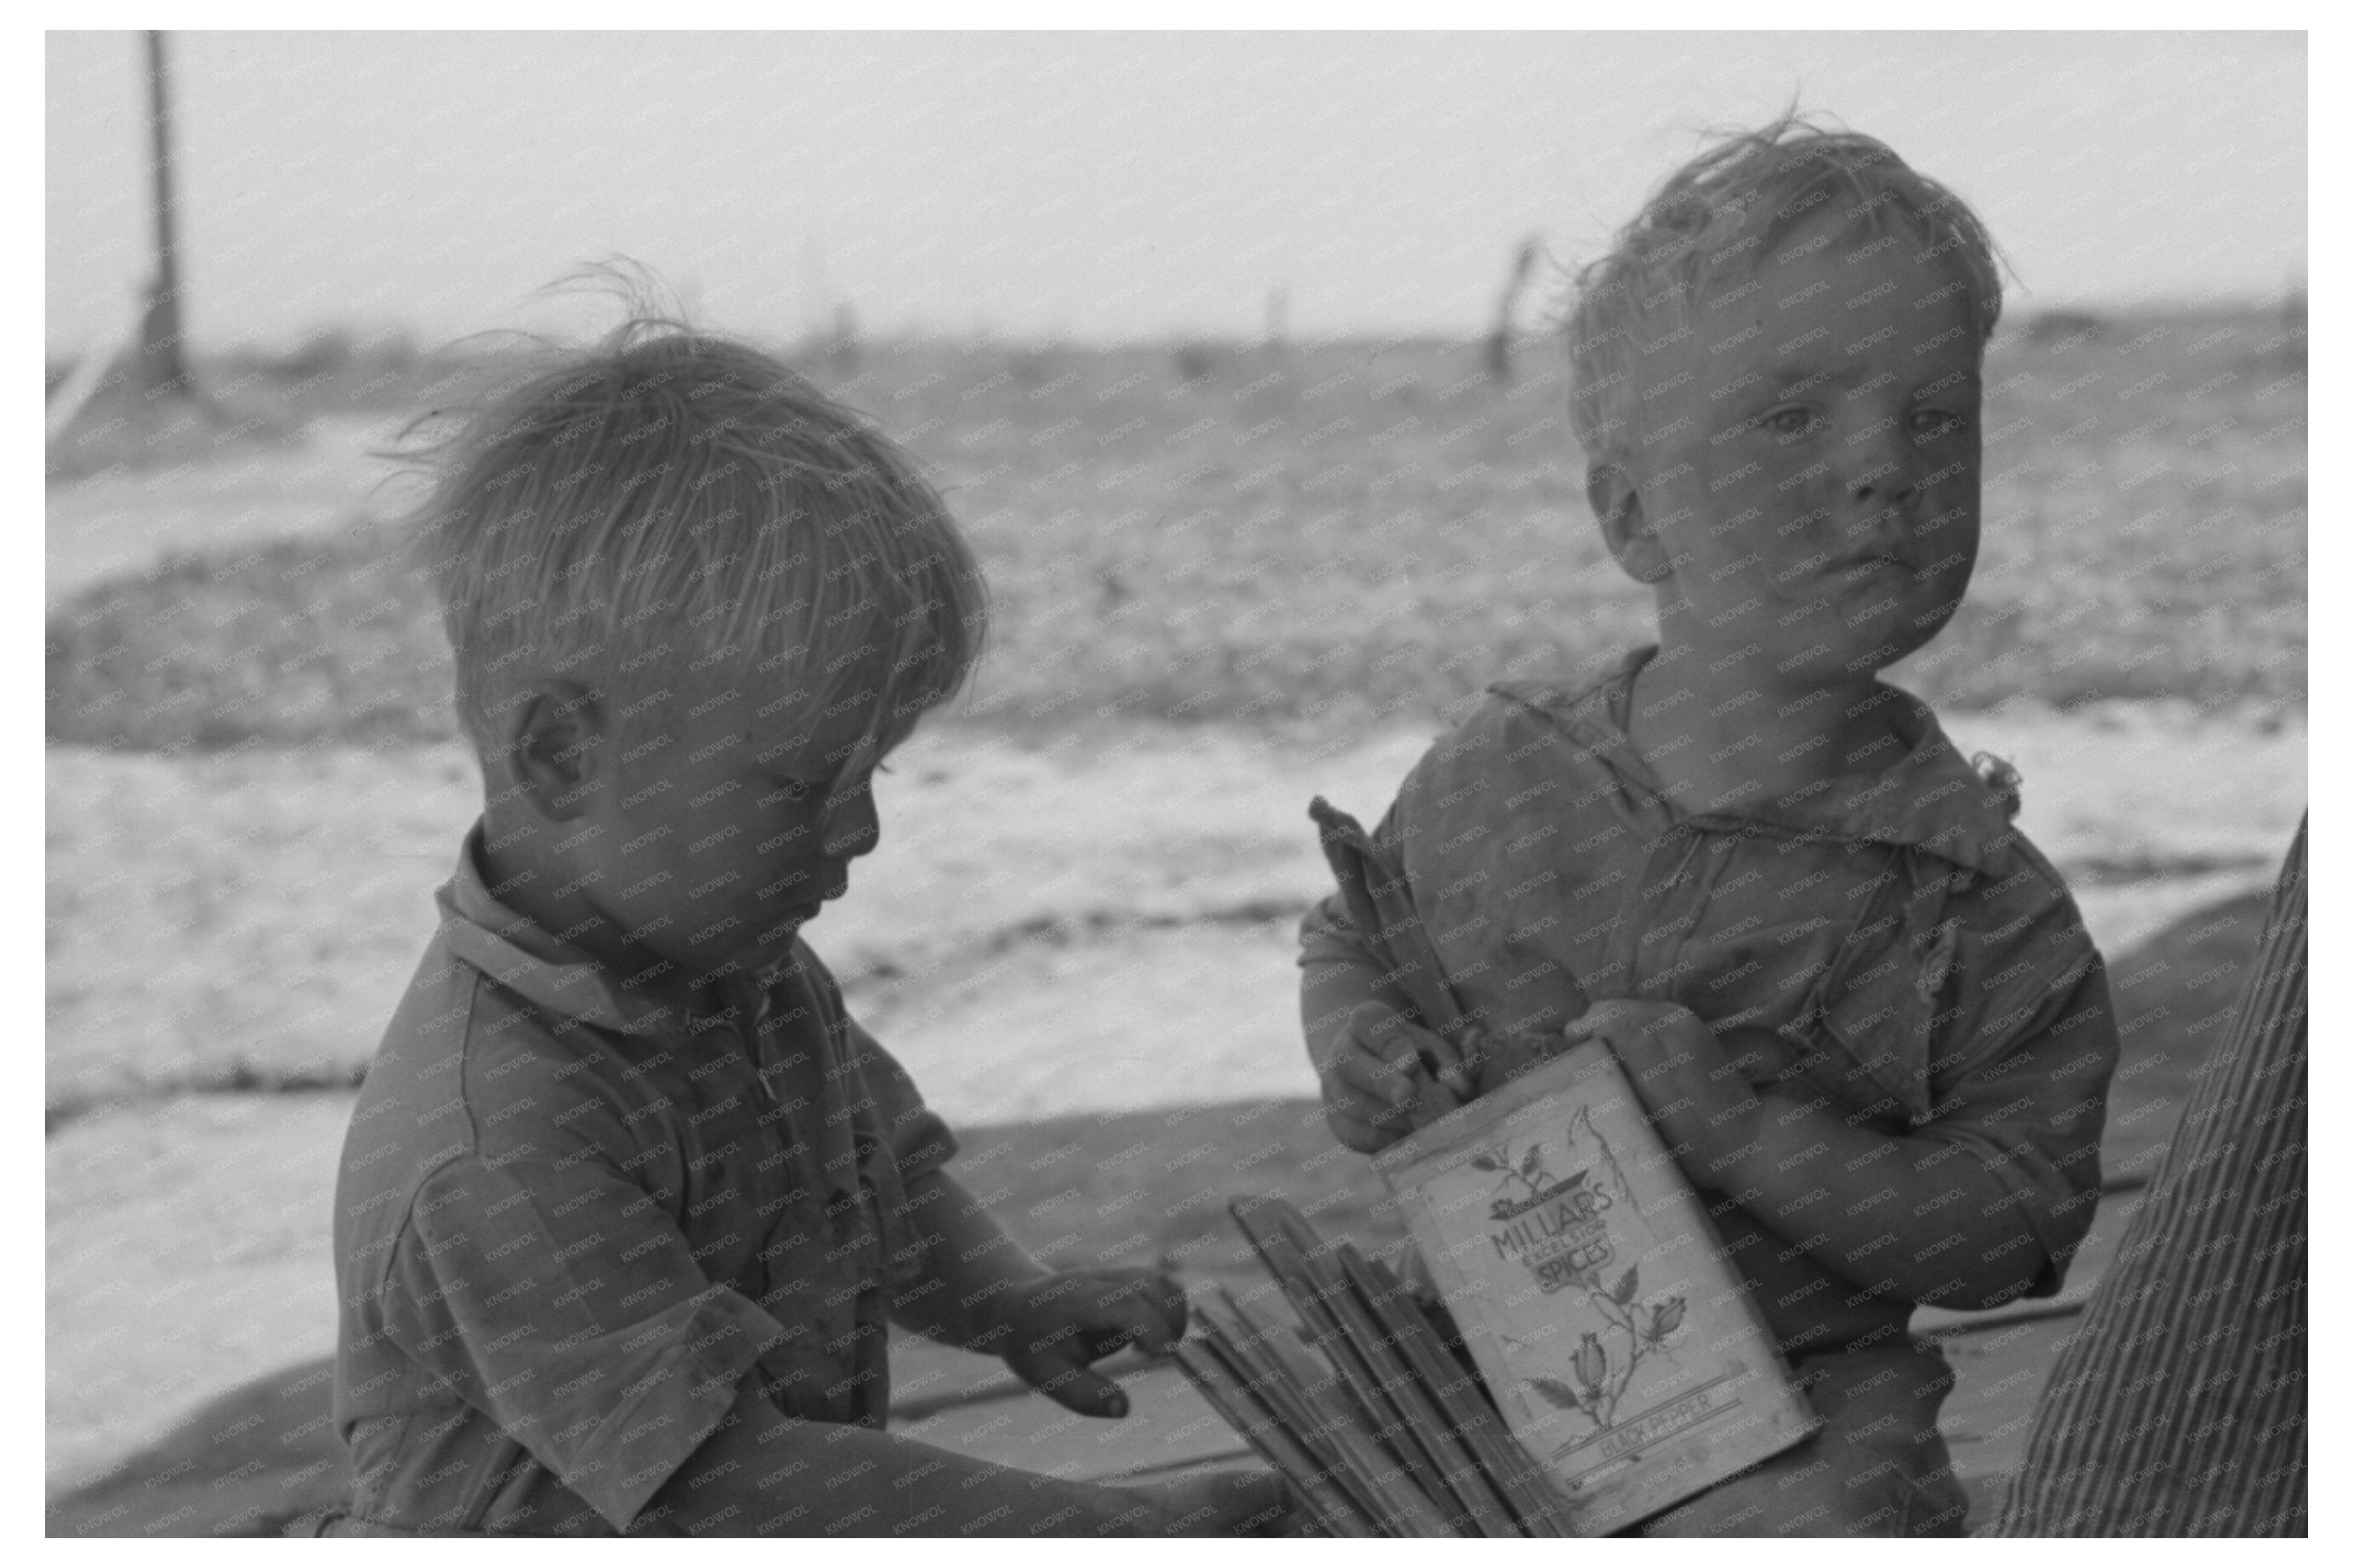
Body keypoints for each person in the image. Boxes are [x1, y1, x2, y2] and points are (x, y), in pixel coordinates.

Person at [321, 310, 1284, 1537]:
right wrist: (1095, 1531)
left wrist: (1004, 1301)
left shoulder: (742, 964)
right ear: (562, 755)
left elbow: (871, 1184)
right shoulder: (497, 1146)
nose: (860, 831)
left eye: (872, 770)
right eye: (796, 786)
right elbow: (731, 1482)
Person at [1299, 117, 2118, 1538]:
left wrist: (1740, 1134)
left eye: (1932, 415)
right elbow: (1355, 929)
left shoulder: (1975, 903)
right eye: (1791, 414)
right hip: (1483, 1374)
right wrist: (1358, 1044)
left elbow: (2014, 1230)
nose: (1883, 465)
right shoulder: (1503, 768)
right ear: (1634, 519)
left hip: (1805, 1415)